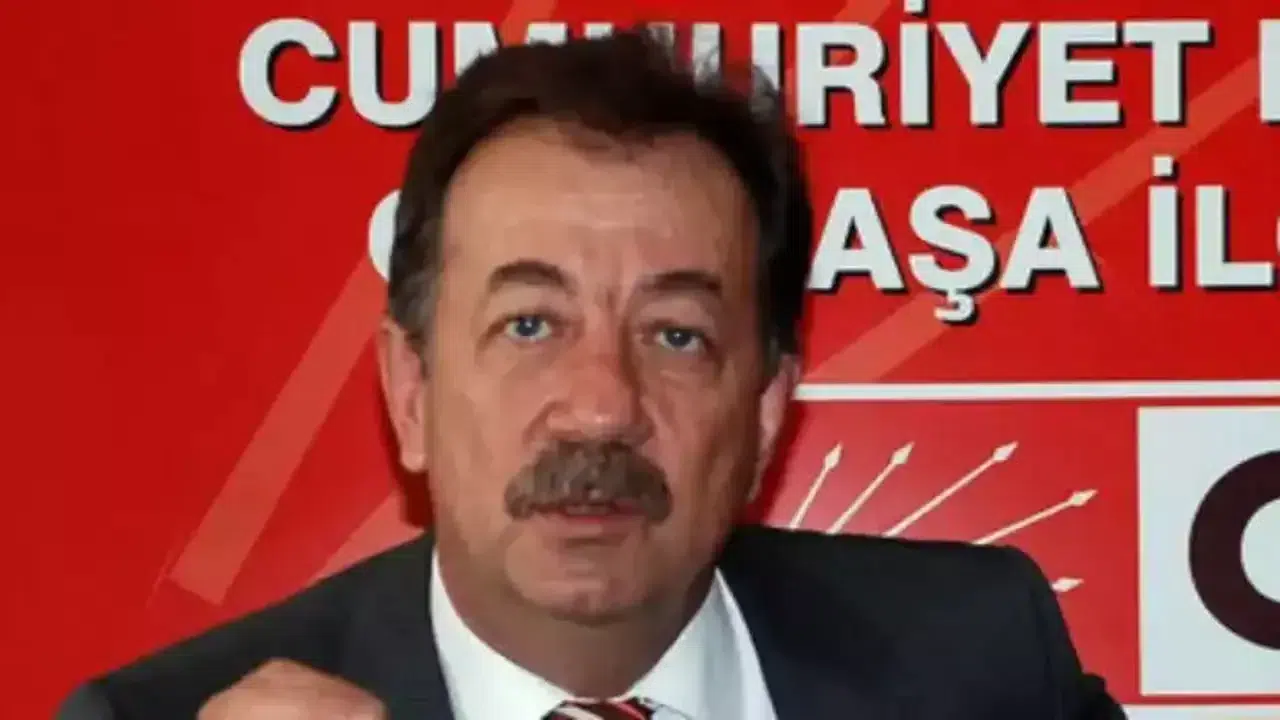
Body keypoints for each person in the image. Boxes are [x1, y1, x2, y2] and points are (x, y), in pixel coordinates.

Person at [57, 27, 1126, 720]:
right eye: (529, 325)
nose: (602, 407)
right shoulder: (162, 719)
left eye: (676, 336)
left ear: (764, 413)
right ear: (411, 392)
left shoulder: (980, 665)